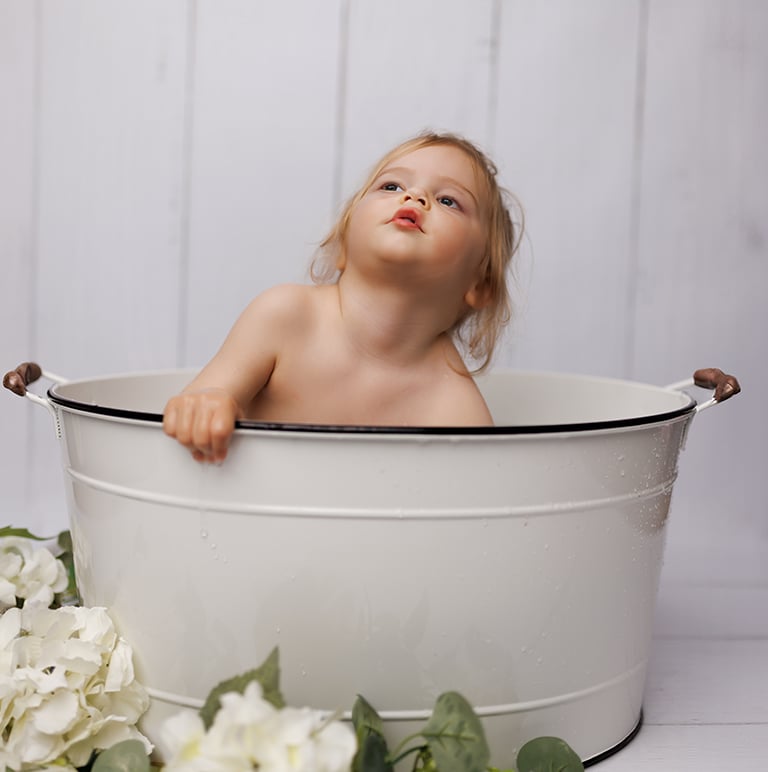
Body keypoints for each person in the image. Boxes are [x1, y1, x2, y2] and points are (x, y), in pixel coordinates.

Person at [163, 131, 522, 462]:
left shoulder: (454, 405)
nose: (415, 197)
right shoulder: (286, 317)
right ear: (342, 248)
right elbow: (205, 394)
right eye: (391, 186)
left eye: (448, 200)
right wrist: (210, 403)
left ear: (480, 283)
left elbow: (469, 510)